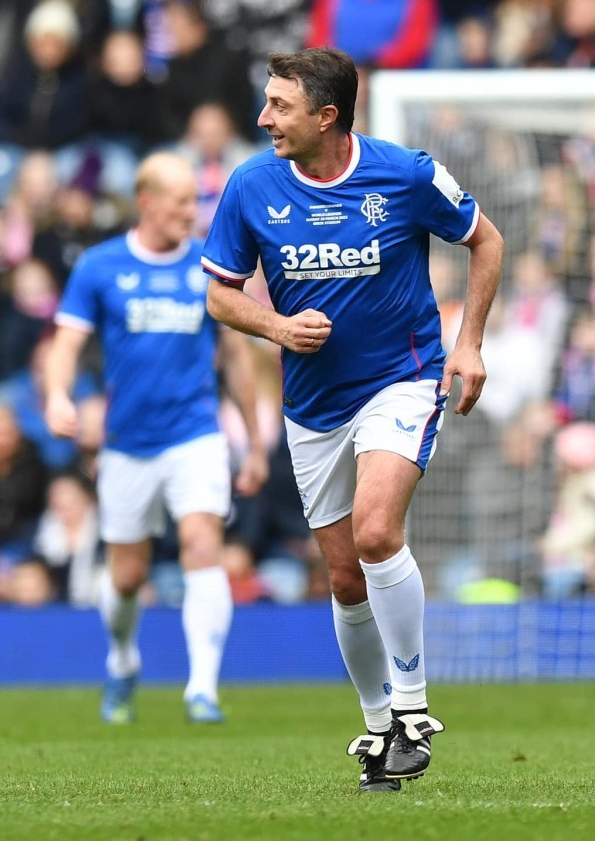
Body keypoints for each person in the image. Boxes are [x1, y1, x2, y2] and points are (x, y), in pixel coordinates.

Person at [201, 48, 503, 792]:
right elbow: (221, 295)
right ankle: (378, 726)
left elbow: (485, 241)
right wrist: (277, 327)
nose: (264, 118)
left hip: (402, 379)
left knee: (375, 532)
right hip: (312, 405)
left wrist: (469, 344)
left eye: (281, 105)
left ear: (327, 116)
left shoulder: (405, 174)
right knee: (343, 578)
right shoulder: (251, 186)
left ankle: (413, 708)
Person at [43, 151, 269, 727]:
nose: (191, 212)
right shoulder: (100, 266)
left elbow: (236, 357)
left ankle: (202, 688)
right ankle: (122, 659)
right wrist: (59, 396)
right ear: (146, 202)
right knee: (126, 575)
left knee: (202, 544)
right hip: (126, 442)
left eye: (195, 201)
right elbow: (65, 344)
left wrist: (254, 443)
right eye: (180, 202)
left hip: (196, 434)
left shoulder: (212, 266)